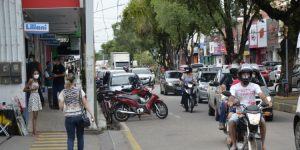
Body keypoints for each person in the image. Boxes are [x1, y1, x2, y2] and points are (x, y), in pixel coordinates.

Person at [227, 65, 272, 150]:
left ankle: (262, 144)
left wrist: (267, 102)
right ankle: (234, 144)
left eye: (248, 74)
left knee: (262, 122)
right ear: (240, 75)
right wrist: (231, 101)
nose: (246, 76)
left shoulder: (255, 86)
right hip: (240, 112)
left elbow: (261, 94)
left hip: (253, 111)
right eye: (244, 74)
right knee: (231, 121)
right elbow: (232, 96)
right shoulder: (234, 87)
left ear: (250, 75)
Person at [58, 74, 95, 150]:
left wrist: (64, 107)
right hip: (79, 117)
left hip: (69, 118)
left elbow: (61, 107)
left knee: (70, 138)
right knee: (80, 137)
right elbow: (85, 103)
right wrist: (92, 114)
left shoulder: (63, 92)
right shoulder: (79, 90)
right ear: (74, 81)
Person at [218, 64, 239, 130]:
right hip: (229, 96)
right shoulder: (228, 78)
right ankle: (221, 122)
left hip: (239, 97)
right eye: (234, 73)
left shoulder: (242, 79)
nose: (236, 75)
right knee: (223, 104)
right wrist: (223, 90)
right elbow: (223, 85)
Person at [23, 70, 43, 136]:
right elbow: (24, 89)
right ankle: (34, 131)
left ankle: (34, 130)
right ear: (32, 75)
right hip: (33, 96)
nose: (36, 74)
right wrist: (32, 89)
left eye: (37, 73)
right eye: (35, 73)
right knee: (34, 115)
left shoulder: (37, 80)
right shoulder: (31, 80)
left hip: (37, 96)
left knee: (36, 115)